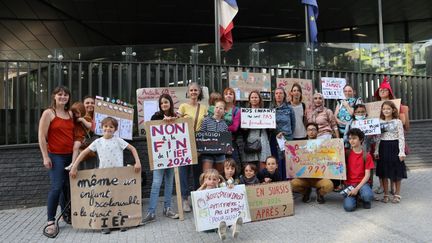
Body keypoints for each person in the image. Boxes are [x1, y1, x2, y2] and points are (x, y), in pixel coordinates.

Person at [69, 116, 141, 234]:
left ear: (115, 129)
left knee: (119, 199)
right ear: (101, 127)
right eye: (106, 126)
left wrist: (137, 162)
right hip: (103, 176)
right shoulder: (97, 142)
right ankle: (106, 224)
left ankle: (121, 222)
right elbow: (83, 154)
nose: (108, 128)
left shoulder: (118, 140)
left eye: (111, 127)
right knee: (105, 200)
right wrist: (74, 166)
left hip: (118, 175)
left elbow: (132, 148)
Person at [38, 86, 74, 237]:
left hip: (71, 155)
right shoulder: (48, 113)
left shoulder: (70, 113)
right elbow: (41, 136)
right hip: (56, 156)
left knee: (67, 187)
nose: (63, 97)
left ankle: (66, 215)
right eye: (60, 94)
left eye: (65, 95)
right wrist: (45, 156)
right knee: (56, 187)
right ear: (54, 96)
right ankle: (50, 221)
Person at [141, 94, 179, 225]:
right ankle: (151, 212)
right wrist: (164, 120)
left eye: (166, 102)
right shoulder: (156, 116)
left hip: (173, 154)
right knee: (156, 183)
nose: (164, 105)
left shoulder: (177, 117)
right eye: (162, 103)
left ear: (170, 103)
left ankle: (167, 209)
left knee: (169, 183)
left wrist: (175, 120)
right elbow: (150, 131)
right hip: (160, 156)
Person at [373, 77, 410, 195]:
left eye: (385, 90)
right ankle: (383, 189)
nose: (382, 92)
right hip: (380, 141)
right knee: (382, 167)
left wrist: (394, 120)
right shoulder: (374, 107)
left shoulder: (398, 105)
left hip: (394, 140)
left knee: (394, 166)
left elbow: (404, 123)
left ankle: (394, 190)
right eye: (380, 90)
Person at [177, 82, 208, 212]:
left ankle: (196, 196)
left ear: (199, 92)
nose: (194, 92)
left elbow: (206, 126)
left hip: (199, 140)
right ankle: (184, 199)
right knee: (183, 170)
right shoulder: (183, 106)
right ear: (188, 92)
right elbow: (176, 123)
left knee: (197, 171)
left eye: (196, 90)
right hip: (184, 140)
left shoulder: (204, 108)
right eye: (191, 90)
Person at [290, 122, 334, 204]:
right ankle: (306, 192)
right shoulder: (300, 146)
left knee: (329, 185)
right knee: (293, 184)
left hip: (319, 178)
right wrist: (280, 139)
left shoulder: (324, 145)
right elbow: (290, 154)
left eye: (313, 129)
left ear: (317, 131)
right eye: (309, 130)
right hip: (305, 178)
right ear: (306, 132)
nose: (311, 132)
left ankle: (320, 193)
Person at [374, 101, 407, 203]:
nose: (386, 111)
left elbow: (401, 137)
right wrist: (376, 150)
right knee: (383, 172)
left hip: (394, 147)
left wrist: (401, 152)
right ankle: (386, 194)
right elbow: (378, 137)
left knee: (396, 171)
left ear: (393, 110)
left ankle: (397, 194)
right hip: (383, 147)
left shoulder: (398, 122)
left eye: (388, 109)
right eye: (384, 109)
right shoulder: (379, 122)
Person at [197, 169, 243, 240]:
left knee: (227, 219)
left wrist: (230, 187)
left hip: (219, 215)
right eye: (209, 179)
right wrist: (203, 185)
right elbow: (195, 195)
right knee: (215, 225)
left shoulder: (219, 187)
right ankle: (220, 231)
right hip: (209, 219)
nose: (212, 181)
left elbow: (228, 189)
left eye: (214, 179)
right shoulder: (203, 190)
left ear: (218, 180)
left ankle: (234, 228)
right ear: (204, 179)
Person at [343, 128, 375, 212]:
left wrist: (357, 189)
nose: (351, 141)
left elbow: (367, 175)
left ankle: (364, 199)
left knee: (367, 196)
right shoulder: (346, 153)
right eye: (350, 138)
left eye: (354, 138)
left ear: (361, 139)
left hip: (363, 184)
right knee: (348, 208)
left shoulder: (366, 155)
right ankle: (356, 197)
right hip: (349, 184)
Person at [240, 91, 271, 169]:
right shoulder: (245, 112)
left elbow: (271, 126)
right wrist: (244, 128)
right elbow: (241, 128)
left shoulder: (266, 112)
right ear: (249, 100)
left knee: (263, 159)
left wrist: (270, 125)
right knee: (250, 162)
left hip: (262, 136)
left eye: (256, 97)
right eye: (252, 97)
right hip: (250, 137)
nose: (254, 99)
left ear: (259, 99)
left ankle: (263, 178)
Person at [199, 100, 229, 174]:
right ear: (214, 108)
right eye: (217, 107)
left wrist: (228, 147)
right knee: (206, 174)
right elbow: (201, 135)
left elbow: (225, 140)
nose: (218, 110)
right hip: (207, 152)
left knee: (220, 174)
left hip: (220, 153)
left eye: (221, 108)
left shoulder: (224, 124)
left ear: (224, 111)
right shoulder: (206, 120)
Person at [271, 87, 295, 179]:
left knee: (287, 161)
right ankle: (278, 181)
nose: (278, 95)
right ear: (274, 96)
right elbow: (269, 124)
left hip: (287, 138)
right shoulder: (271, 108)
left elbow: (293, 124)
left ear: (284, 95)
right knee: (276, 160)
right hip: (274, 138)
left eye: (281, 93)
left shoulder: (289, 108)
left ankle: (288, 182)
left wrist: (287, 134)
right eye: (276, 93)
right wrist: (276, 132)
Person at [69, 102, 92, 168]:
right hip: (72, 137)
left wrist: (82, 120)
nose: (76, 115)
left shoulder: (85, 118)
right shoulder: (72, 119)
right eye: (74, 113)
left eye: (77, 113)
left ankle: (73, 164)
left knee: (76, 148)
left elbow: (90, 125)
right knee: (75, 149)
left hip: (79, 137)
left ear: (82, 112)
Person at [223, 88, 241, 162]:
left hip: (231, 140)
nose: (228, 96)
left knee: (233, 163)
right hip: (218, 141)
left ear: (234, 97)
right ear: (223, 97)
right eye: (226, 94)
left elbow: (234, 127)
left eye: (231, 94)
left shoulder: (237, 110)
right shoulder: (219, 108)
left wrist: (221, 127)